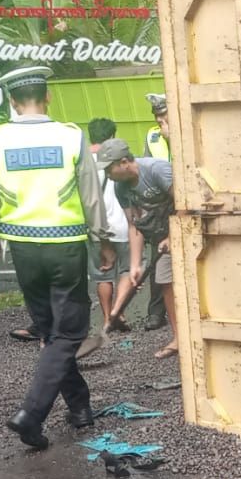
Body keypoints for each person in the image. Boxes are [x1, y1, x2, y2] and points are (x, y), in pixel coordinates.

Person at [0, 65, 112, 451]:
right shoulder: (70, 136)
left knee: (51, 333)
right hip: (65, 245)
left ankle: (80, 407)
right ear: (47, 97)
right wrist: (103, 239)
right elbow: (90, 194)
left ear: (12, 101)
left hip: (23, 248)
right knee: (69, 334)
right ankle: (31, 414)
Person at [95, 138, 178, 361]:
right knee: (165, 281)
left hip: (186, 229)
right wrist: (135, 265)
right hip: (161, 237)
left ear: (124, 162)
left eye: (109, 169)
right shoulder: (120, 187)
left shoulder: (157, 170)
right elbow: (134, 225)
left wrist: (173, 235)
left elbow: (186, 203)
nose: (107, 175)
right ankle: (179, 338)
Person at [86, 117, 131, 331]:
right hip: (123, 224)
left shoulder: (83, 161)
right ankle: (119, 312)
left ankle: (106, 319)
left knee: (102, 276)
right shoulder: (120, 159)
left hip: (96, 227)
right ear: (112, 136)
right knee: (126, 271)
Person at [139, 92, 171, 330]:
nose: (160, 121)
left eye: (164, 115)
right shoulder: (152, 136)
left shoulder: (187, 129)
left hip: (184, 199)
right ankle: (156, 313)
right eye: (157, 117)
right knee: (158, 259)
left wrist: (173, 137)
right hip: (161, 205)